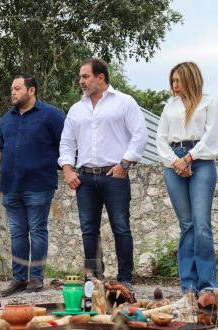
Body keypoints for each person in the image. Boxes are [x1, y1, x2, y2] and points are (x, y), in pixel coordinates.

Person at [59, 58, 148, 294]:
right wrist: (68, 170)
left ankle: (125, 279)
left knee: (121, 227)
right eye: (80, 77)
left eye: (85, 76)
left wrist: (124, 163)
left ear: (100, 77)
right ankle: (94, 280)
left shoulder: (124, 102)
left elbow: (140, 134)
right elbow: (66, 142)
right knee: (88, 230)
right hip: (85, 178)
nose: (81, 81)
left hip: (115, 175)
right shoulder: (76, 109)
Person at [156, 62, 218, 297]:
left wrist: (190, 158)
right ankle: (188, 287)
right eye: (172, 81)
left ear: (190, 79)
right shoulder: (169, 106)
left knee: (202, 224)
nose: (174, 86)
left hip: (201, 162)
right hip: (173, 162)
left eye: (178, 80)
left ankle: (207, 286)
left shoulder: (210, 103)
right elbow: (161, 138)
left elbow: (211, 137)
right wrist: (176, 161)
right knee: (187, 226)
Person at [0, 74, 65, 296]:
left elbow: (65, 145)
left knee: (37, 231)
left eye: (17, 88)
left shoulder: (51, 116)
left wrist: (48, 166)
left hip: (39, 184)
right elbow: (2, 146)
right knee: (17, 232)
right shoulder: (6, 119)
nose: (13, 92)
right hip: (10, 185)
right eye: (11, 89)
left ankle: (36, 278)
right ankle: (18, 279)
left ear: (32, 91)